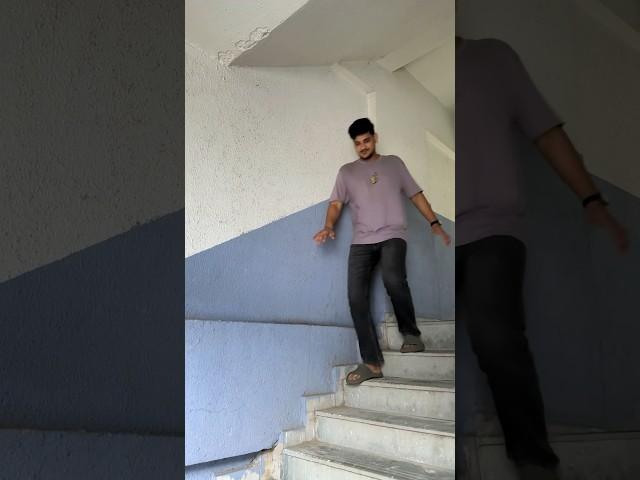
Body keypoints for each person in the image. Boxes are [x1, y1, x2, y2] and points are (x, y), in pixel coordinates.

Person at [455, 36, 628, 480]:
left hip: (492, 226)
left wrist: (592, 199)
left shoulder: (491, 57)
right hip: (443, 232)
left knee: (497, 338)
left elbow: (546, 132)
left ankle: (534, 462)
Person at [313, 118, 451, 386]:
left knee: (393, 279)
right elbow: (336, 204)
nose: (362, 147)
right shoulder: (346, 172)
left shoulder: (394, 164)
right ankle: (372, 363)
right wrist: (328, 226)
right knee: (355, 297)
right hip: (361, 241)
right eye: (357, 144)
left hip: (393, 235)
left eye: (366, 141)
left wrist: (434, 222)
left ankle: (411, 334)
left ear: (375, 138)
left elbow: (415, 194)